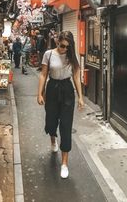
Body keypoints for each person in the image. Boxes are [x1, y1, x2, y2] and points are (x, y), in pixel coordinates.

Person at [37, 31, 84, 179]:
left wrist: (80, 97)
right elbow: (43, 74)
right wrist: (39, 93)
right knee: (51, 121)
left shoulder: (71, 55)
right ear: (57, 42)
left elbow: (76, 76)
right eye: (61, 45)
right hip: (52, 89)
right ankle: (53, 139)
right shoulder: (49, 54)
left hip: (67, 90)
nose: (63, 48)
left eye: (66, 46)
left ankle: (64, 163)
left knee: (66, 125)